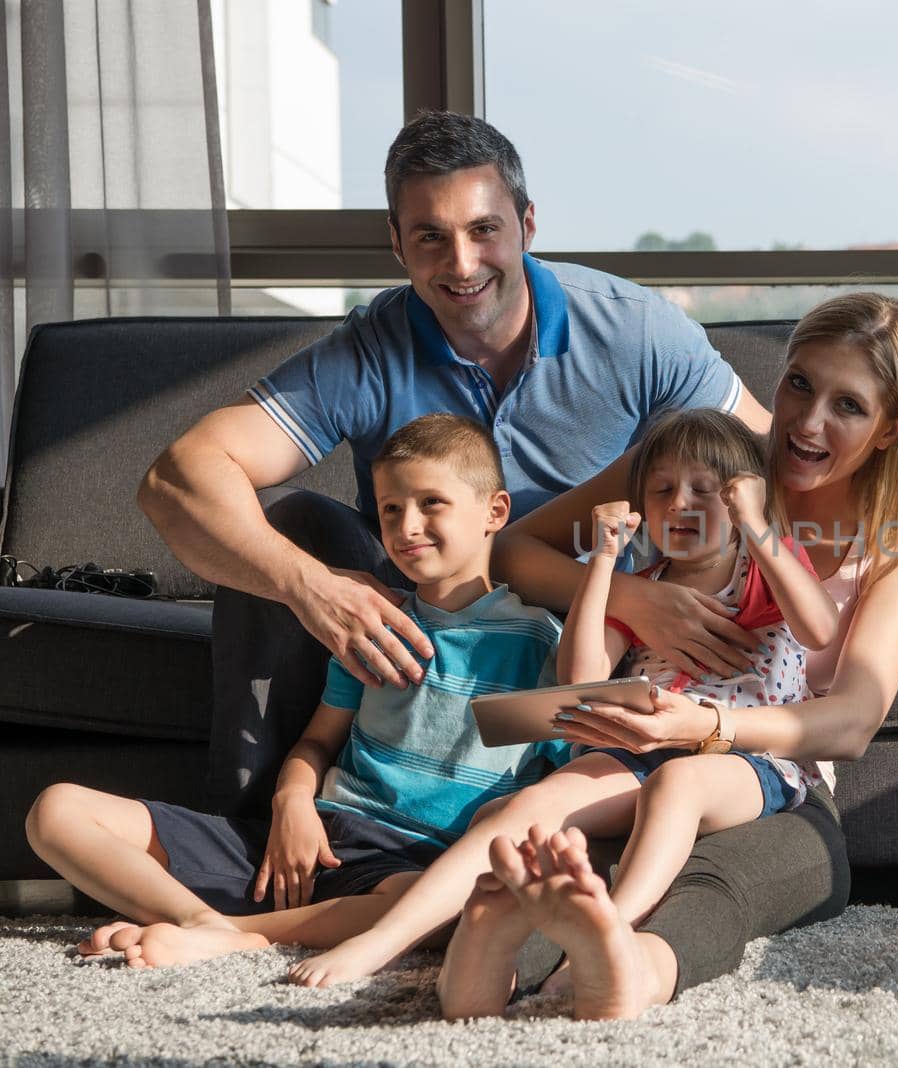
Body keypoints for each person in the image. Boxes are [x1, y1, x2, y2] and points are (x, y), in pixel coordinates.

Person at [138, 110, 773, 822]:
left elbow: (770, 464)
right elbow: (175, 479)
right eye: (431, 238)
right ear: (397, 245)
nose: (462, 264)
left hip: (595, 642)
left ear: (527, 225)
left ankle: (514, 841)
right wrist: (309, 587)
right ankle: (256, 835)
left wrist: (891, 555)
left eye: (483, 230)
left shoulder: (636, 330)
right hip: (428, 643)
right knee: (292, 527)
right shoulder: (369, 351)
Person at [433, 291, 898, 1021]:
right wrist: (635, 600)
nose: (807, 421)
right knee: (559, 862)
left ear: (890, 429)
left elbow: (852, 722)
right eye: (799, 383)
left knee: (712, 889)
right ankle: (490, 966)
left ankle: (625, 973)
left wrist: (702, 727)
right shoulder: (700, 461)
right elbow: (513, 547)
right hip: (640, 758)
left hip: (777, 786)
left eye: (849, 407)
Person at [285, 408, 838, 989]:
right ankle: (381, 942)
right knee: (520, 810)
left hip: (741, 757)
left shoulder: (763, 572)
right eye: (663, 490)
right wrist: (602, 562)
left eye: (706, 490)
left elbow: (819, 627)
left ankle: (614, 931)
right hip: (638, 751)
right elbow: (581, 678)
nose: (680, 504)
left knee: (680, 784)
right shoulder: (645, 588)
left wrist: (759, 524)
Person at [25, 415, 571, 968]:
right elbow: (316, 744)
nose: (407, 526)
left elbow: (558, 782)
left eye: (431, 503)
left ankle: (240, 933)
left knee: (447, 906)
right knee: (56, 812)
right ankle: (201, 922)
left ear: (494, 512)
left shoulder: (540, 643)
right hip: (308, 845)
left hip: (409, 871)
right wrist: (292, 804)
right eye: (390, 508)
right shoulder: (373, 626)